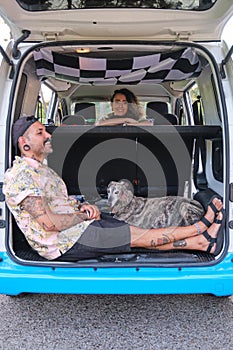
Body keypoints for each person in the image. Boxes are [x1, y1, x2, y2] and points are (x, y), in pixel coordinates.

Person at [3, 116, 224, 261]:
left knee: (136, 232)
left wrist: (84, 206)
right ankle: (201, 227)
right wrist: (82, 216)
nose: (49, 135)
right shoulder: (21, 176)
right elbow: (49, 224)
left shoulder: (42, 171)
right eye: (40, 132)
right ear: (24, 142)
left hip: (77, 227)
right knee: (140, 236)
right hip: (64, 242)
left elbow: (60, 203)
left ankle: (202, 243)